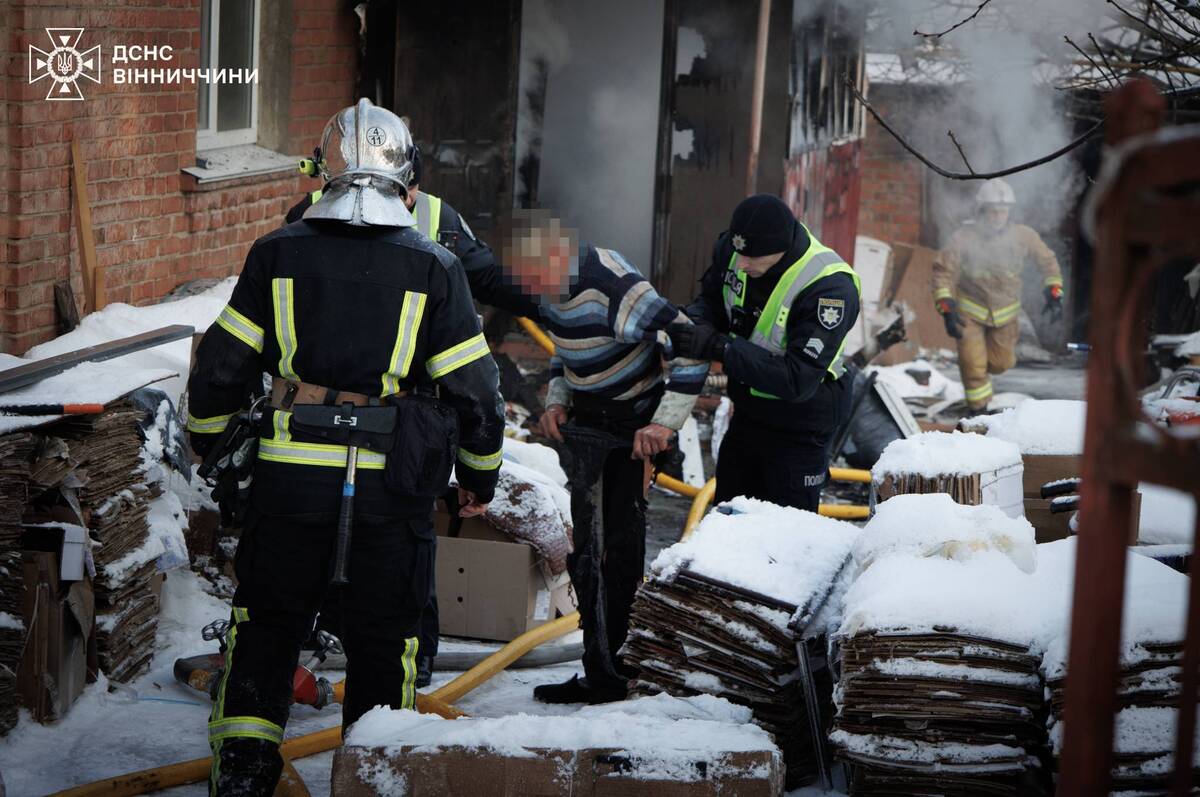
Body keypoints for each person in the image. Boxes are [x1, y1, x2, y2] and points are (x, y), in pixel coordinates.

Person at [187, 99, 504, 796]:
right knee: (384, 638)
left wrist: (210, 443)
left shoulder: (276, 252)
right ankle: (372, 778)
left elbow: (219, 368)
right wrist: (479, 475)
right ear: (407, 182)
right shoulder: (436, 266)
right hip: (391, 491)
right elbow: (477, 392)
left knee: (267, 628)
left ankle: (242, 775)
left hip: (289, 483)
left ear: (319, 173)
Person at [286, 123, 522, 691]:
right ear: (407, 171)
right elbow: (475, 377)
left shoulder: (300, 224)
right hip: (403, 434)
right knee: (400, 577)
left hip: (308, 438)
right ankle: (391, 698)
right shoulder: (435, 228)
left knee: (303, 573)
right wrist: (478, 474)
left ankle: (329, 670)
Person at [493, 211, 707, 705]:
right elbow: (563, 348)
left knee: (616, 556)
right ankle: (602, 668)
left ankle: (616, 675)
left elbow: (689, 344)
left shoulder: (613, 284)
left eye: (531, 277)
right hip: (587, 425)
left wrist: (665, 422)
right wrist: (556, 401)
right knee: (586, 555)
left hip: (631, 430)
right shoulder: (550, 286)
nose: (529, 289)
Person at [668, 194, 861, 512]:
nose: (742, 265)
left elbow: (796, 379)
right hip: (748, 415)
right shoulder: (735, 250)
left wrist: (720, 347)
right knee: (728, 517)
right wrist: (699, 323)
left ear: (781, 249)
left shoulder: (829, 289)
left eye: (753, 258)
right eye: (739, 253)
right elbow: (713, 299)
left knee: (784, 536)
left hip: (800, 426)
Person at [932, 178, 1065, 412]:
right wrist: (947, 307)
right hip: (969, 313)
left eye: (1002, 212)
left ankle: (981, 385)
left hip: (1006, 315)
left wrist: (1054, 291)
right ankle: (978, 411)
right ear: (981, 211)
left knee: (1001, 363)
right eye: (992, 212)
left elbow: (1047, 260)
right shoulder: (963, 237)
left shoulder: (1023, 236)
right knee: (973, 365)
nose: (997, 217)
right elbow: (943, 271)